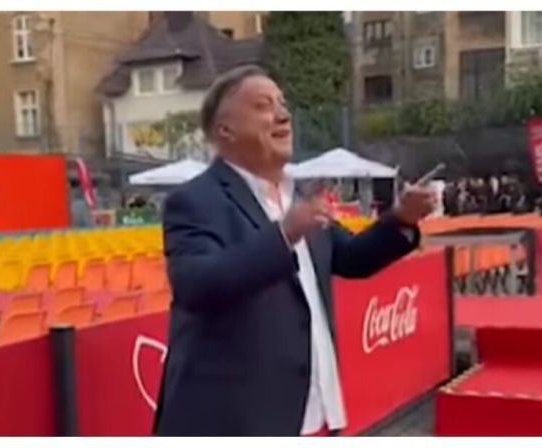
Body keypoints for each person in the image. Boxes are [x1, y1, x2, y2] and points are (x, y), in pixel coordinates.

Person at [154, 65, 435, 437]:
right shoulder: (194, 200)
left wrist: (401, 219)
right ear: (226, 130)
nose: (283, 115)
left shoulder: (295, 198)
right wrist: (284, 235)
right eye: (263, 105)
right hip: (236, 422)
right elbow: (196, 284)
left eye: (282, 104)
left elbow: (351, 257)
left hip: (309, 412)